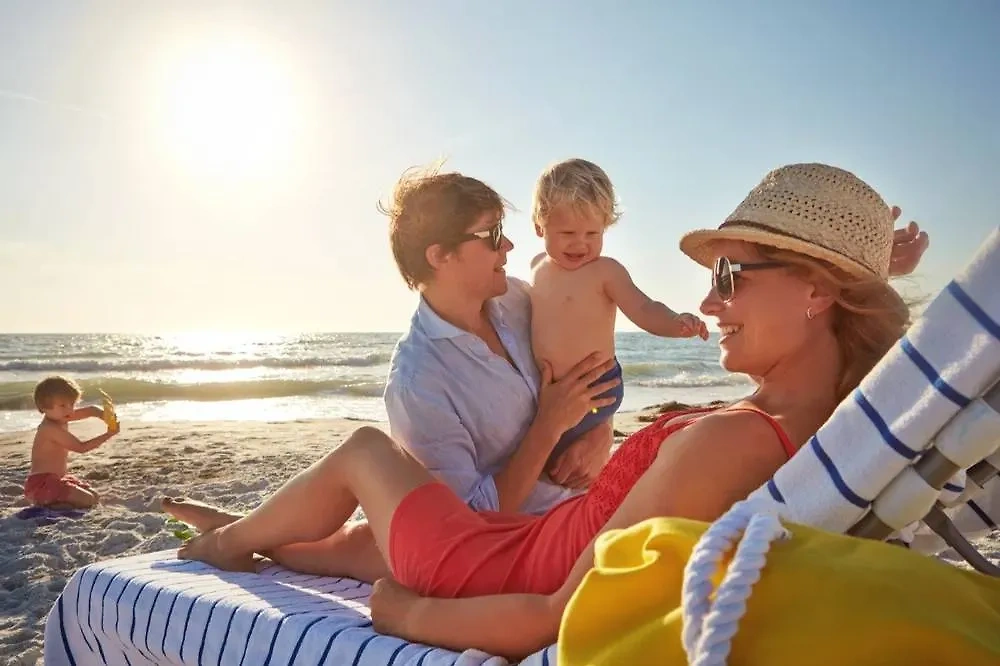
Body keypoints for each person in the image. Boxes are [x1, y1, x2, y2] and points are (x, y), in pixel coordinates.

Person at [163, 164, 918, 660]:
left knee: (365, 453)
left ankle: (228, 544)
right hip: (518, 530)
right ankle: (244, 537)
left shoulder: (732, 439)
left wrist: (405, 618)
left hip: (500, 562)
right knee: (353, 543)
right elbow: (882, 372)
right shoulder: (818, 419)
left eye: (728, 275)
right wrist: (875, 277)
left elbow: (557, 615)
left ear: (819, 291)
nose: (710, 301)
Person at [529, 158, 709, 467]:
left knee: (570, 463)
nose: (580, 244)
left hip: (597, 388)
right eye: (568, 232)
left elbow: (643, 307)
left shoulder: (605, 271)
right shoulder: (536, 267)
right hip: (551, 390)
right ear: (539, 226)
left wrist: (674, 322)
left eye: (592, 234)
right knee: (554, 460)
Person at [24, 376, 120, 508]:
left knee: (94, 496)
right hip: (41, 485)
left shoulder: (60, 415)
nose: (69, 410)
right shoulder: (49, 428)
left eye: (72, 404)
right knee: (88, 500)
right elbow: (81, 447)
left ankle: (58, 503)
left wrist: (105, 416)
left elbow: (91, 410)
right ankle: (50, 507)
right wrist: (108, 434)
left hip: (56, 480)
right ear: (44, 408)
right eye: (63, 405)